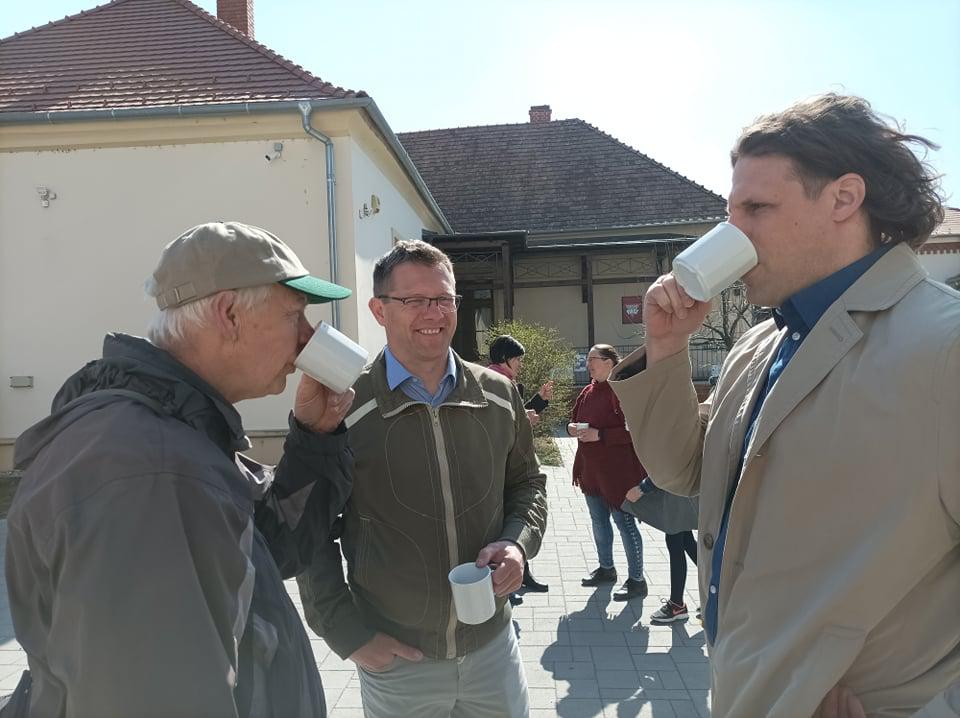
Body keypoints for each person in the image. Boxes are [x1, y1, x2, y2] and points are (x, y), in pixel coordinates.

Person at [609, 94, 960, 716]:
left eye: (757, 209)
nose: (732, 234)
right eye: (730, 212)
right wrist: (666, 348)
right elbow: (683, 471)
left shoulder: (945, 347)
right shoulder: (759, 344)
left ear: (844, 199)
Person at [5, 221, 356, 717]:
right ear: (228, 314)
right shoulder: (152, 471)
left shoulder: (175, 434)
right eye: (294, 315)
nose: (307, 339)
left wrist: (316, 437)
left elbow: (270, 546)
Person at [297, 240, 548, 717]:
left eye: (444, 298)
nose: (433, 312)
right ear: (379, 310)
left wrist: (518, 544)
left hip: (492, 648)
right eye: (414, 300)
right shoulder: (344, 407)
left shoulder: (499, 395)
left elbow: (527, 485)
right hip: (397, 659)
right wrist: (349, 636)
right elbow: (310, 531)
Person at [568, 344, 647, 602]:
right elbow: (574, 420)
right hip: (591, 473)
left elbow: (635, 431)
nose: (588, 364)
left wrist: (600, 435)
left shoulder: (622, 391)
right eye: (588, 359)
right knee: (599, 523)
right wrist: (571, 429)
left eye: (593, 359)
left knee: (625, 525)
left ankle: (637, 581)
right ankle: (606, 569)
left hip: (618, 475)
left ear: (609, 362)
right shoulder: (587, 391)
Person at [487, 334, 554, 593]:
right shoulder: (492, 383)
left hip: (512, 460)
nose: (521, 364)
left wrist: (540, 399)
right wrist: (524, 420)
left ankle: (522, 574)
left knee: (516, 516)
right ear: (505, 359)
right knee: (507, 518)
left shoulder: (507, 382)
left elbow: (517, 414)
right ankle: (506, 579)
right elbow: (497, 425)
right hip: (501, 464)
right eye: (518, 359)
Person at [623, 479, 698, 624]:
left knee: (675, 542)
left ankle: (677, 605)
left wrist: (642, 488)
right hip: (682, 488)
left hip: (676, 489)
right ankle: (720, 590)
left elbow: (669, 468)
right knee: (686, 540)